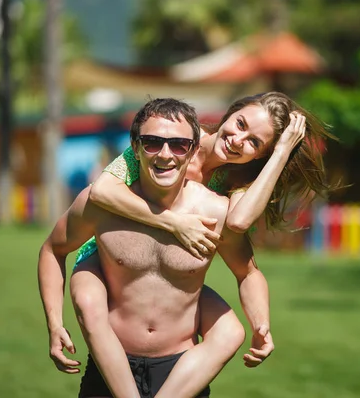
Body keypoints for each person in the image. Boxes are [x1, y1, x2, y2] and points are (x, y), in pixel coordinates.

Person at [39, 98, 272, 398]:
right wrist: (55, 324)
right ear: (135, 148)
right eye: (152, 143)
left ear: (192, 150)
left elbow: (248, 272)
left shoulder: (217, 210)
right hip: (109, 371)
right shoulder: (101, 204)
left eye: (178, 145)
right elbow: (53, 249)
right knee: (85, 295)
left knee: (230, 331)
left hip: (181, 373)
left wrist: (261, 324)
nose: (165, 154)